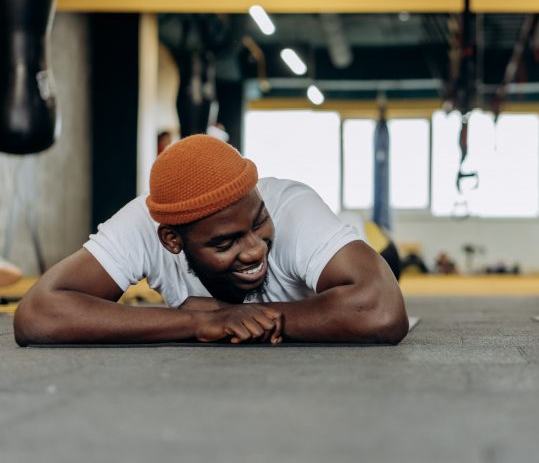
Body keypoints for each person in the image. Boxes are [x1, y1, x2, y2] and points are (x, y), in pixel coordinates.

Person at [14, 135, 409, 346]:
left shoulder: (292, 206)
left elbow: (380, 309)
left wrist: (248, 319)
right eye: (225, 243)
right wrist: (197, 322)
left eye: (259, 223)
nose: (254, 248)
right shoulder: (146, 221)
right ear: (171, 240)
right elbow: (39, 314)